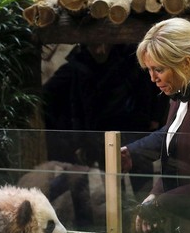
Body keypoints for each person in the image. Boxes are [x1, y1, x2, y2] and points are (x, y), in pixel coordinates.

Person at [121, 18, 190, 233]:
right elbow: (175, 154)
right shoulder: (177, 94)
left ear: (185, 62)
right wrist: (154, 195)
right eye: (149, 70)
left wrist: (161, 203)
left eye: (159, 69)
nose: (152, 78)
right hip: (188, 225)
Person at [43, 43, 170, 203]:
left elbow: (150, 88)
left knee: (142, 181)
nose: (100, 49)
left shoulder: (130, 57)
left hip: (133, 127)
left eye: (103, 43)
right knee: (113, 189)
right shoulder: (79, 64)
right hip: (99, 133)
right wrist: (81, 138)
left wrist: (154, 117)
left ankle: (147, 217)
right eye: (94, 45)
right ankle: (120, 221)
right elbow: (77, 104)